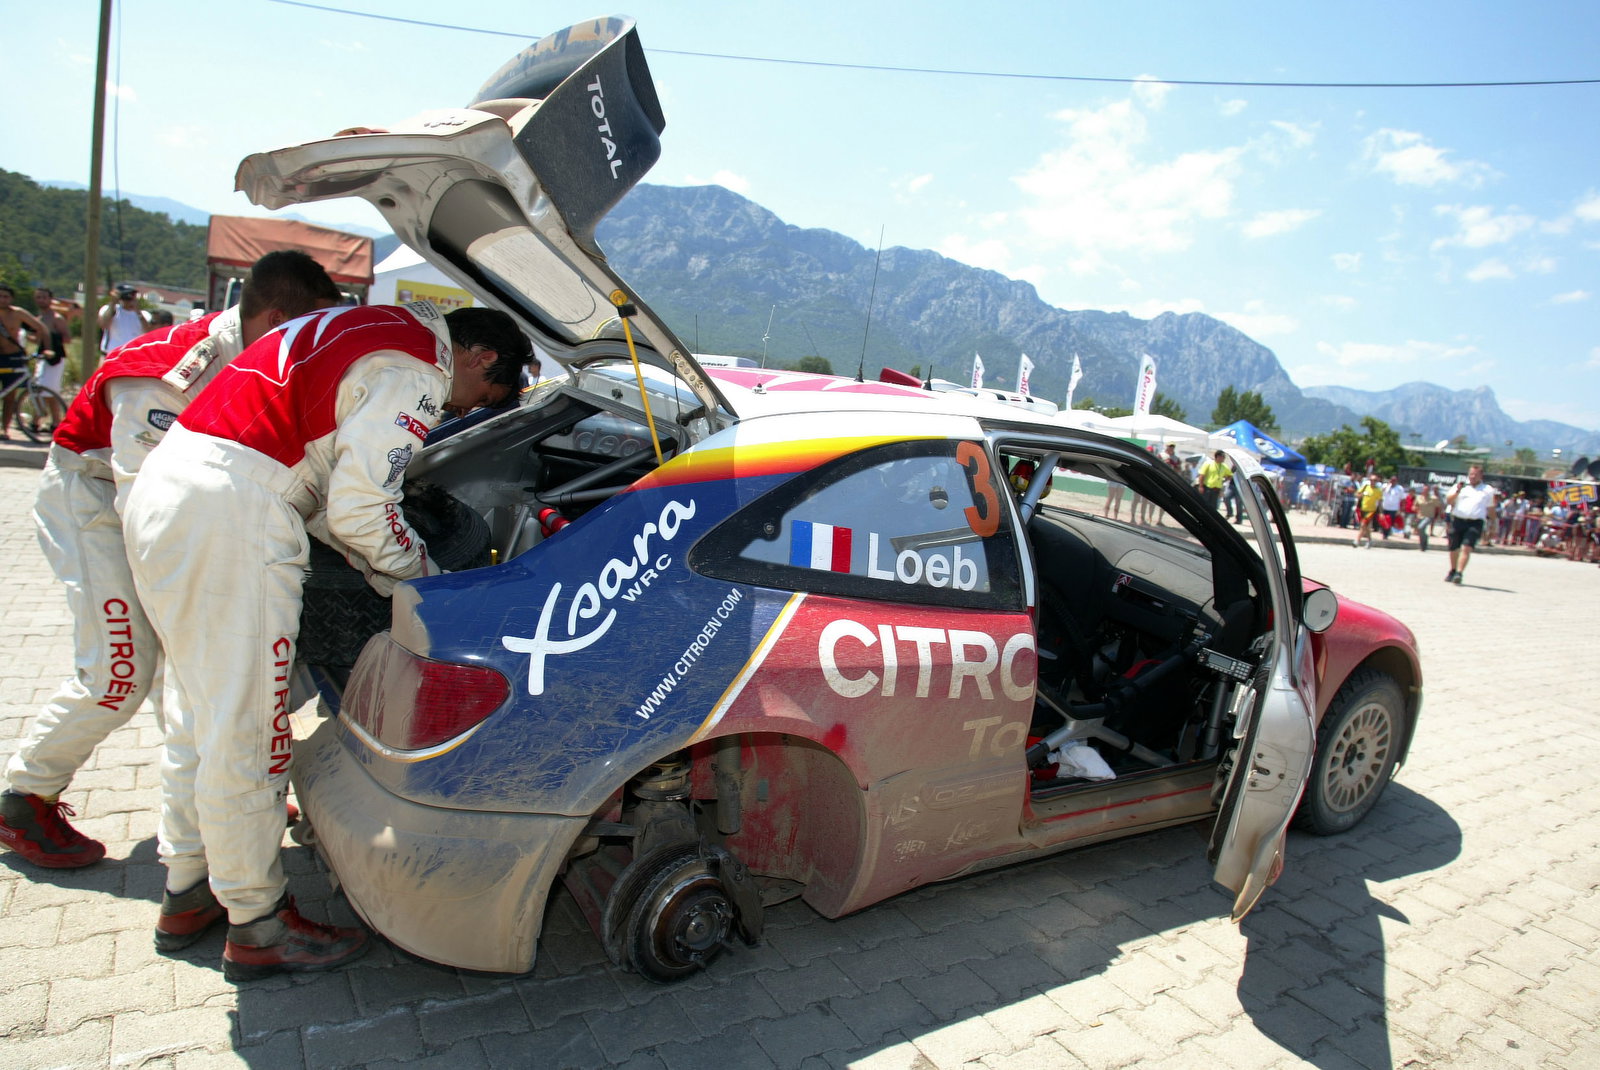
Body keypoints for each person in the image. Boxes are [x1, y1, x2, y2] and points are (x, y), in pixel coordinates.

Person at [122, 300, 530, 980]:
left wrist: (377, 566)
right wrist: (423, 580)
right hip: (233, 513)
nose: (454, 415)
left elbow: (332, 490)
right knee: (250, 729)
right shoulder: (418, 367)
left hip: (168, 492)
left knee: (198, 712)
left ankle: (189, 886)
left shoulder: (368, 325)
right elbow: (363, 508)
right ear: (482, 357)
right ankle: (258, 923)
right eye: (472, 402)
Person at [1, 253, 341, 880]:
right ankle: (23, 800)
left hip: (151, 508)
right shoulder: (169, 370)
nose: (313, 349)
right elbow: (143, 501)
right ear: (275, 317)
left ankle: (216, 803)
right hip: (97, 501)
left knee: (185, 670)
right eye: (306, 331)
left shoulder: (261, 358)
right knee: (121, 672)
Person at [0, 283, 51, 439]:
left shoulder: (18, 314)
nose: (2, 299)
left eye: (6, 296)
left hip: (13, 357)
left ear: (12, 299)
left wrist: (45, 348)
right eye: (0, 296)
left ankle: (4, 429)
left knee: (10, 396)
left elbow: (41, 328)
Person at [1445, 464, 1497, 584]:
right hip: (1458, 520)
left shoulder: (1487, 490)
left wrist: (1494, 522)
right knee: (1454, 548)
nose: (1472, 476)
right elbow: (1449, 501)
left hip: (1475, 522)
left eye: (1475, 474)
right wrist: (1457, 491)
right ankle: (1453, 570)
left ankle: (1459, 573)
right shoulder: (1461, 486)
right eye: (1471, 474)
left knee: (1466, 547)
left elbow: (1491, 508)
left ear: (1481, 475)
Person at [32, 287, 71, 426]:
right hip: (42, 358)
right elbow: (36, 339)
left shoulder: (57, 318)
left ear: (50, 299)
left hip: (55, 359)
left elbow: (67, 338)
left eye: (44, 297)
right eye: (38, 297)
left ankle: (55, 421)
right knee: (37, 390)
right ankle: (37, 420)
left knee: (50, 391)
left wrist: (53, 339)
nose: (41, 300)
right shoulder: (38, 319)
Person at [99, 284, 151, 356]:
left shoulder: (144, 314)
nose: (128, 298)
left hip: (133, 355)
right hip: (112, 354)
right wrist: (113, 302)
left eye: (132, 295)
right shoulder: (110, 310)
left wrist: (138, 311)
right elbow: (103, 325)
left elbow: (149, 333)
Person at [1353, 474, 1382, 548]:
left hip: (1371, 510)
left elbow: (1380, 502)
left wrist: (1381, 512)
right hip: (1363, 509)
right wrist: (1361, 494)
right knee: (1366, 527)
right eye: (1371, 480)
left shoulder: (1378, 490)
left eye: (1374, 480)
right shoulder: (1365, 487)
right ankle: (1369, 541)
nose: (1373, 482)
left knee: (1363, 525)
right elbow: (1357, 494)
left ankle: (1357, 540)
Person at [1413, 485, 1442, 552]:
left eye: (1427, 489)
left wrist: (1439, 515)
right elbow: (1415, 506)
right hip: (1420, 516)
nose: (1425, 491)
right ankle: (1423, 545)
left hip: (1429, 517)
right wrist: (1415, 509)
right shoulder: (1419, 497)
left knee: (1421, 527)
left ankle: (1424, 540)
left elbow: (1439, 506)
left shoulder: (1433, 498)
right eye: (1424, 489)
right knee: (1420, 531)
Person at [1379, 474, 1404, 540]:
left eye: (1394, 480)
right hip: (1385, 507)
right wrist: (1387, 486)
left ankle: (1386, 534)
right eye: (1392, 480)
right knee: (1384, 521)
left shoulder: (1399, 488)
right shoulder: (1385, 486)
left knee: (1390, 522)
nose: (1393, 481)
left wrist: (1400, 509)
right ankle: (1384, 532)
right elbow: (1380, 493)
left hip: (1393, 508)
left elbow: (1402, 499)